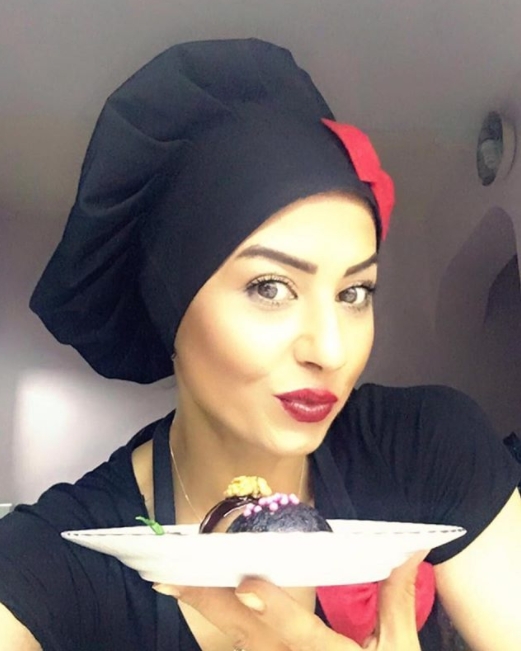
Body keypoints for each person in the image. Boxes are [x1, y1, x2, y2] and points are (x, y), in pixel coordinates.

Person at [0, 38, 520, 651]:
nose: (331, 351)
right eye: (270, 287)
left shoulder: (426, 447)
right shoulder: (57, 559)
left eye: (354, 293)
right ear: (172, 309)